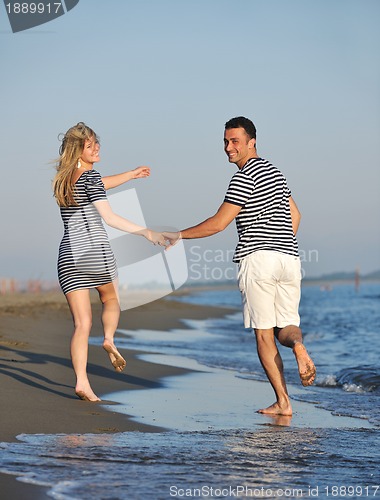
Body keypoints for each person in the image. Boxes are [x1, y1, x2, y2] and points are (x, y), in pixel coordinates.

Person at [163, 116, 316, 416]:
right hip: (289, 258)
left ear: (252, 142)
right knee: (287, 328)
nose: (228, 148)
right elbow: (295, 215)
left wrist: (179, 234)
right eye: (225, 141)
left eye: (234, 141)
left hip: (258, 261)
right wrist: (279, 241)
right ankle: (298, 347)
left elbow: (219, 223)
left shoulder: (243, 177)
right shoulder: (276, 173)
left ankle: (284, 403)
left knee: (263, 334)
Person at [53, 122, 166, 402]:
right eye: (90, 145)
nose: (97, 147)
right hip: (94, 250)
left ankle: (82, 383)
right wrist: (146, 231)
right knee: (112, 299)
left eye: (96, 143)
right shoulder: (91, 177)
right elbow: (110, 217)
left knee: (81, 324)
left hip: (68, 255)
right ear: (79, 151)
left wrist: (130, 174)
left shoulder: (64, 180)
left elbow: (100, 184)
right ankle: (109, 339)